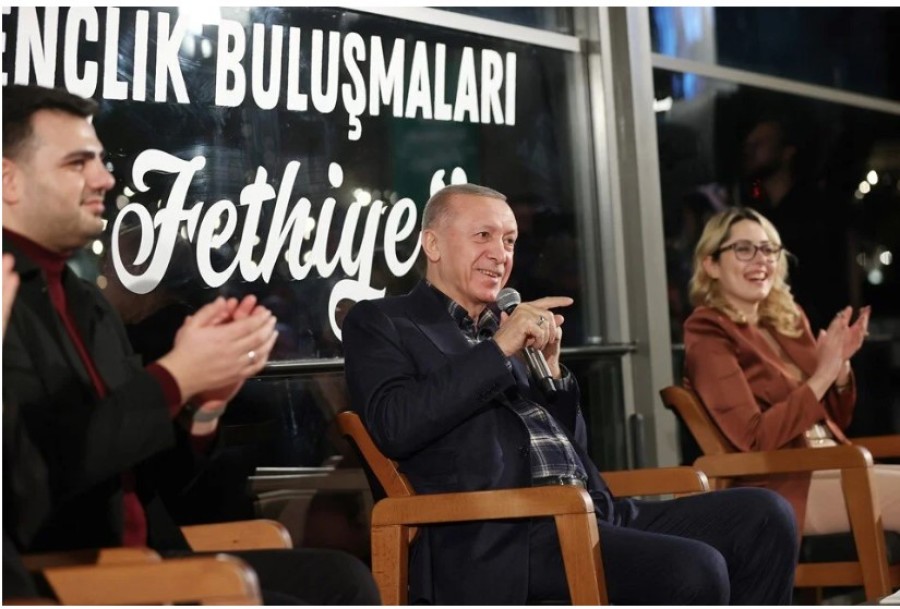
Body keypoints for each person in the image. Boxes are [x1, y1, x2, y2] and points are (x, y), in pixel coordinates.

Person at [2, 83, 379, 605]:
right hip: (66, 575)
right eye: (76, 163)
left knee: (340, 578)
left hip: (153, 558)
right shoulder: (12, 298)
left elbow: (149, 479)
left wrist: (202, 406)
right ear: (9, 180)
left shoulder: (86, 302)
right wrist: (174, 378)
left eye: (101, 161)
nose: (105, 178)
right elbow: (40, 475)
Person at [342, 183, 799, 605]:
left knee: (766, 515)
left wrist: (553, 374)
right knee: (695, 568)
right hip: (504, 536)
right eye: (483, 236)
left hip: (587, 510)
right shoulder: (385, 322)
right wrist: (499, 350)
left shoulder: (500, 330)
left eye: (509, 241)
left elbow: (572, 450)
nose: (500, 254)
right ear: (433, 244)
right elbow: (395, 424)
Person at [682, 206, 899, 535]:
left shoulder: (787, 318)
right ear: (711, 264)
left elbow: (835, 420)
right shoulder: (708, 331)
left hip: (837, 462)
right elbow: (755, 439)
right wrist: (823, 375)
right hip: (784, 483)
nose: (761, 260)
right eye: (744, 249)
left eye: (769, 249)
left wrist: (839, 367)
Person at [740, 116, 846, 332]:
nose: (751, 151)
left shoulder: (816, 208)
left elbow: (839, 271)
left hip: (815, 329)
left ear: (787, 151)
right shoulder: (754, 212)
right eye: (749, 145)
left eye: (760, 143)